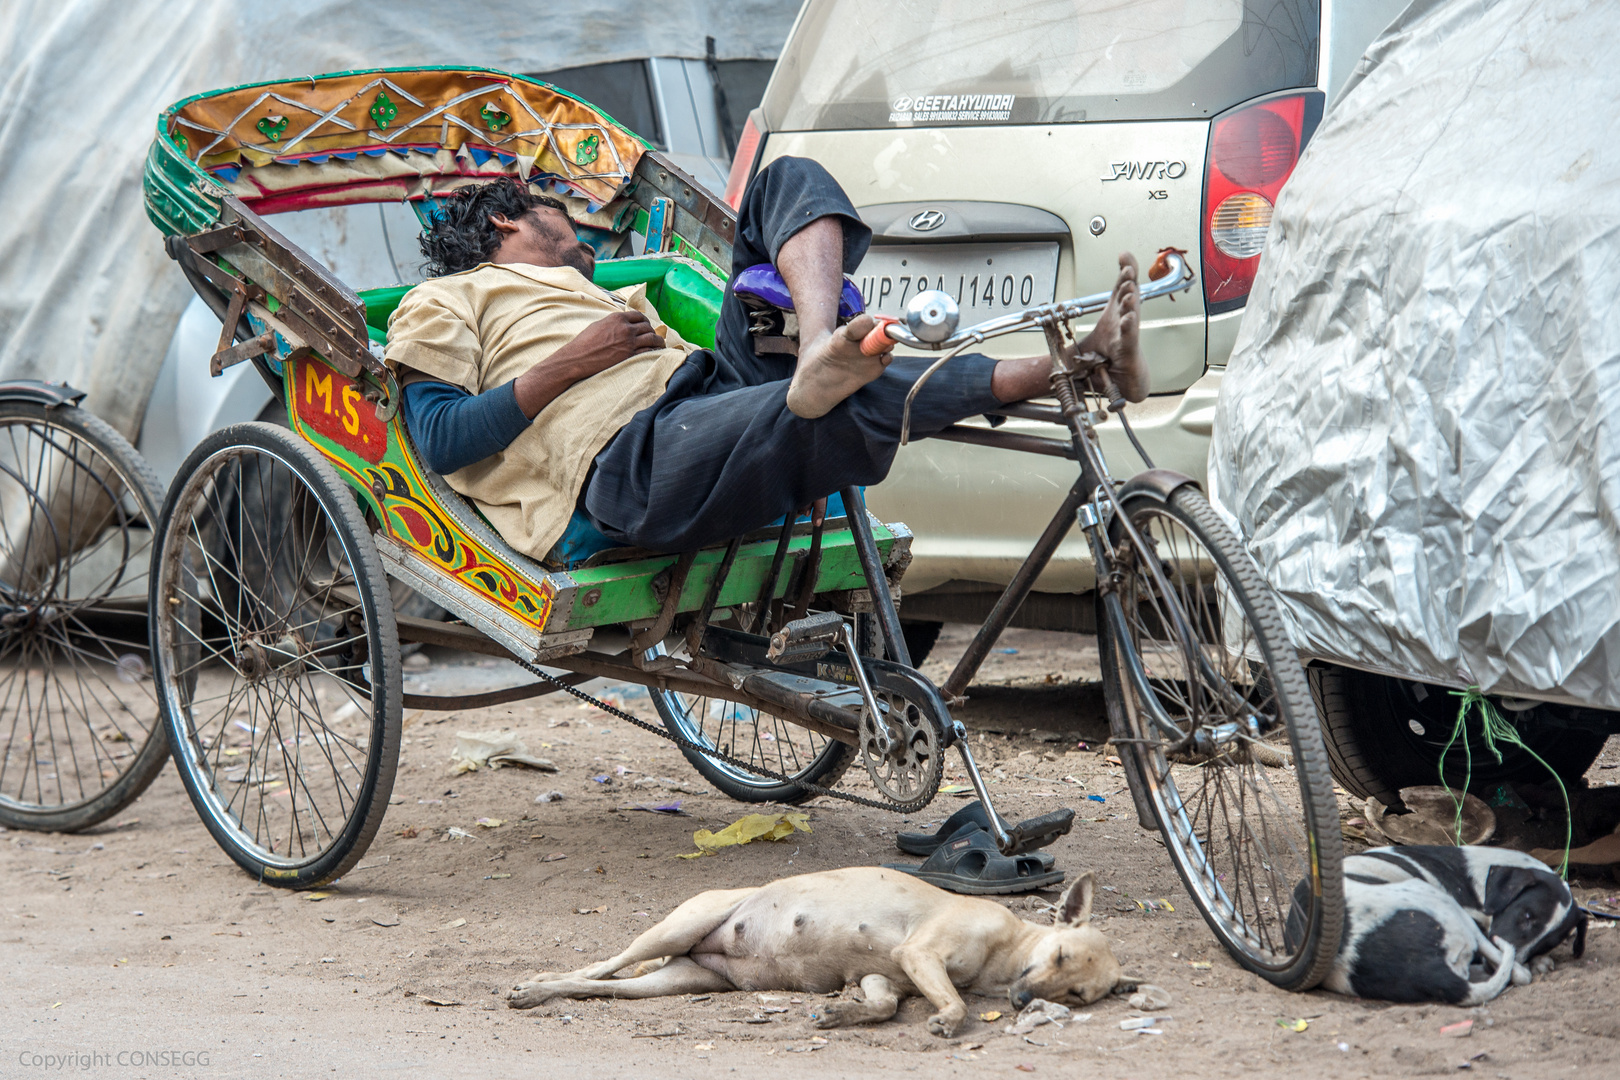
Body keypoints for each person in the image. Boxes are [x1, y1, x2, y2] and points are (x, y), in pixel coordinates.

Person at [385, 157, 1144, 561]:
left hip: (704, 392)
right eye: (553, 205)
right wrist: (575, 361)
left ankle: (816, 344)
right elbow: (443, 439)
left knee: (787, 178)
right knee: (831, 402)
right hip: (628, 460)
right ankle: (1069, 364)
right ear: (504, 219)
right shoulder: (451, 299)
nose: (574, 218)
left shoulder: (589, 290)